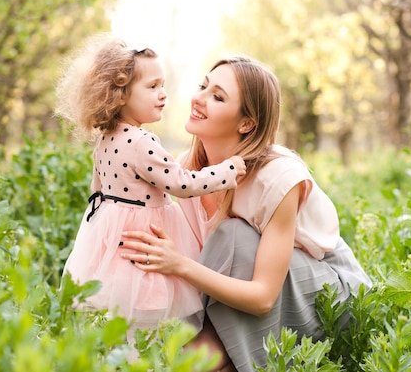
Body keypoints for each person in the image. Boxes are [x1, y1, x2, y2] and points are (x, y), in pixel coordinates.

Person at [119, 55, 372, 371]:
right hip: (243, 291)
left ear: (247, 123)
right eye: (203, 86)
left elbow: (263, 298)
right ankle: (211, 356)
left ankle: (212, 356)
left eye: (218, 96)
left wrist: (178, 264)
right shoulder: (186, 171)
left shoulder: (278, 178)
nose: (199, 98)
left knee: (235, 235)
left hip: (325, 293)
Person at [54, 35, 246, 342]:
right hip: (144, 234)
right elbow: (181, 184)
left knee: (120, 308)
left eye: (163, 85)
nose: (163, 95)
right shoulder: (140, 141)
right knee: (148, 305)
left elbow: (97, 188)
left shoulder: (106, 138)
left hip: (111, 233)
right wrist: (226, 172)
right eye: (152, 86)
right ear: (119, 95)